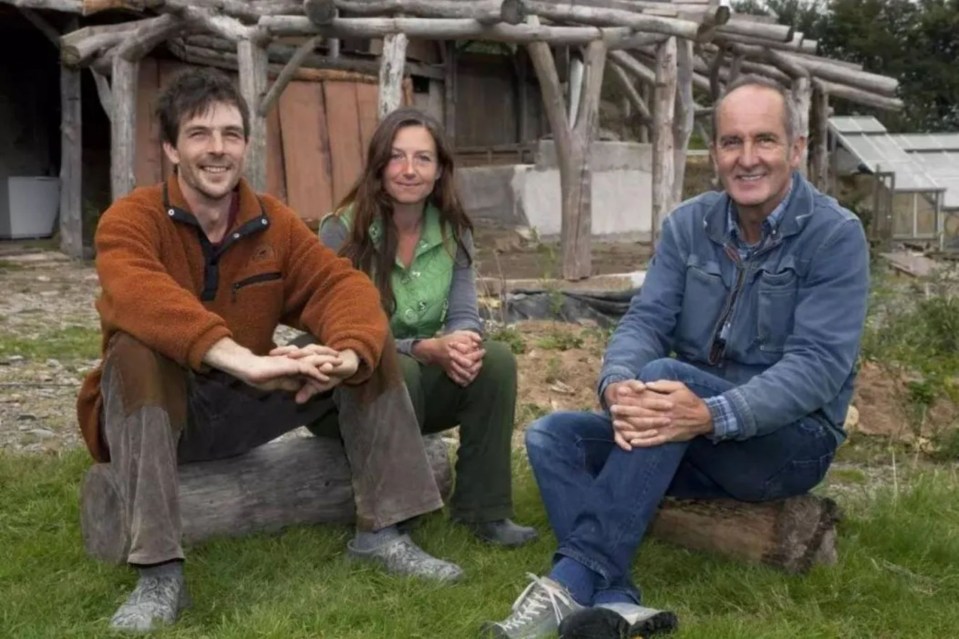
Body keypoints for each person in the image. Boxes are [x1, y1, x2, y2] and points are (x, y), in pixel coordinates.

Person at [482, 74, 870, 638]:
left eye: (764, 140)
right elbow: (645, 320)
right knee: (552, 437)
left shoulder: (834, 236)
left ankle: (566, 585)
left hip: (786, 444)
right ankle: (617, 603)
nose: (747, 158)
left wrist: (711, 414)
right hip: (683, 432)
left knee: (663, 378)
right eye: (732, 142)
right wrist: (617, 382)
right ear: (714, 152)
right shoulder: (690, 225)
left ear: (796, 150)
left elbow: (815, 368)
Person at [76, 69, 462, 634]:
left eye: (231, 135)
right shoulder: (131, 220)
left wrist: (347, 356)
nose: (217, 150)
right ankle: (159, 575)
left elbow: (341, 285)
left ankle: (384, 533)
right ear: (170, 148)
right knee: (134, 350)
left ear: (246, 146)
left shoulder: (272, 222)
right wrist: (248, 360)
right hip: (152, 417)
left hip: (240, 404)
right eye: (200, 135)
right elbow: (139, 297)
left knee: (358, 336)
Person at [316, 107, 537, 548]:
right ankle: (394, 519)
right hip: (342, 390)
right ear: (378, 167)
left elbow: (462, 312)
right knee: (401, 365)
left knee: (494, 361)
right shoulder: (341, 230)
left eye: (423, 159)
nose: (410, 170)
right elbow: (342, 335)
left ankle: (483, 512)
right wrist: (422, 347)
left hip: (412, 387)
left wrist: (462, 343)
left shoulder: (454, 230)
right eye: (397, 157)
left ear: (440, 171)